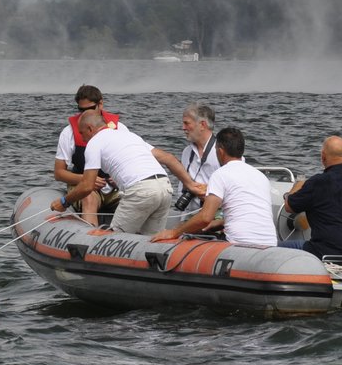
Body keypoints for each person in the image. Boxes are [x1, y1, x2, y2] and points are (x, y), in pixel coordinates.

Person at [61, 108, 200, 235]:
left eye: (81, 133)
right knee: (151, 242)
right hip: (165, 188)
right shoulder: (130, 136)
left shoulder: (94, 143)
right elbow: (168, 158)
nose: (82, 137)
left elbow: (87, 186)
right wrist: (191, 185)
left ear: (90, 128)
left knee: (112, 241)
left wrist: (64, 202)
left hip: (141, 191)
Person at [151, 127, 276, 247]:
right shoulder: (261, 177)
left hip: (238, 243)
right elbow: (248, 212)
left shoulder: (221, 174)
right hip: (270, 243)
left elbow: (205, 218)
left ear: (220, 151)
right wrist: (220, 223)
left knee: (190, 239)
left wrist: (174, 232)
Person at [282, 135, 342, 257]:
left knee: (272, 248)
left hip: (322, 252)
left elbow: (289, 206)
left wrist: (295, 187)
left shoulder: (317, 183)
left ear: (323, 156)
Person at [52, 85, 126, 224]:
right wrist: (85, 180)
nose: (85, 113)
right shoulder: (68, 133)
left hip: (115, 188)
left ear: (101, 104)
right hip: (85, 187)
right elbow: (59, 173)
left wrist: (119, 180)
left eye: (90, 109)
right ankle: (91, 240)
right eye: (81, 110)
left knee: (135, 199)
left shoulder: (120, 129)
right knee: (88, 198)